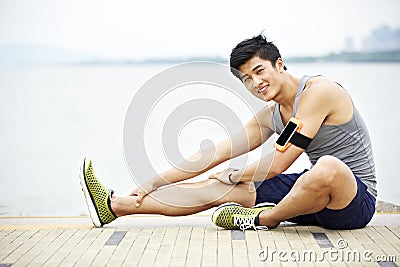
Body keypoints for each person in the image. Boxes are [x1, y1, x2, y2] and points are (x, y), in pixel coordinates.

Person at [80, 34, 377, 230]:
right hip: (311, 199)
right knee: (220, 187)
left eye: (259, 71)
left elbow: (278, 163)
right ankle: (113, 206)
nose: (255, 83)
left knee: (327, 168)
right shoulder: (271, 115)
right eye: (246, 79)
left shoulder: (319, 92)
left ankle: (263, 218)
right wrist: (150, 182)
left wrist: (234, 173)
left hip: (354, 202)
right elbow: (214, 153)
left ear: (279, 64)